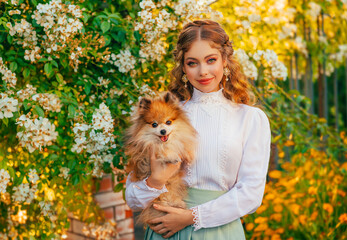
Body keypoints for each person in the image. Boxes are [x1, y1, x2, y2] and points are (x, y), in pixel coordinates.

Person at [125, 20, 271, 239]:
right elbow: (132, 199)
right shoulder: (164, 120)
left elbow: (251, 194)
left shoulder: (250, 119)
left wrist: (191, 217)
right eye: (192, 63)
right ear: (183, 67)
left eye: (211, 60)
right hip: (165, 231)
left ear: (225, 60)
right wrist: (155, 181)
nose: (203, 71)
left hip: (219, 231)